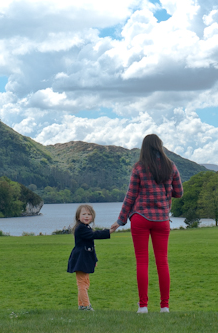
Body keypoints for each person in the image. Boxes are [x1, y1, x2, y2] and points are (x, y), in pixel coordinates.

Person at [113, 133, 183, 313]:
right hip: (161, 219)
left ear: (144, 148)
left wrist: (120, 221)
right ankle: (164, 306)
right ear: (160, 146)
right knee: (162, 262)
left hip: (140, 219)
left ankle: (143, 306)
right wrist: (165, 193)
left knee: (142, 262)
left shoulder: (139, 167)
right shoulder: (171, 166)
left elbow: (130, 196)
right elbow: (179, 192)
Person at [66, 203, 111, 311]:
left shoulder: (86, 227)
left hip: (85, 259)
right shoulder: (81, 228)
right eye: (84, 214)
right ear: (78, 217)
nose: (86, 216)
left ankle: (81, 305)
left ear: (92, 217)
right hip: (80, 259)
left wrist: (94, 259)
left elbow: (90, 245)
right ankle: (86, 306)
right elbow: (94, 235)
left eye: (89, 214)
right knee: (82, 283)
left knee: (85, 282)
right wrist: (108, 231)